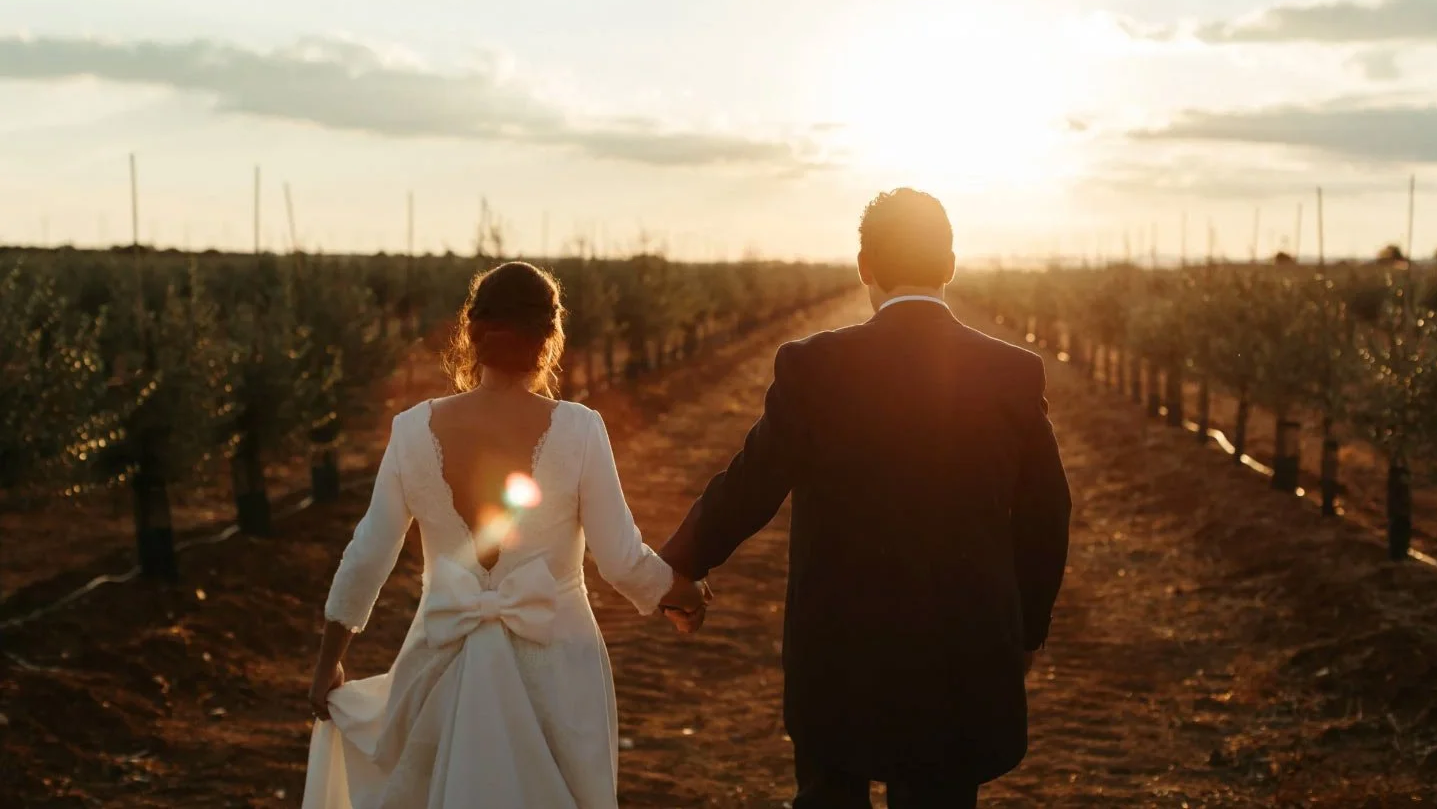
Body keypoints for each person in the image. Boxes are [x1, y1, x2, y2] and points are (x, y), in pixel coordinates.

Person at [657, 188, 1073, 809]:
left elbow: (753, 483)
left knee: (828, 793)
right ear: (951, 265)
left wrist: (679, 567)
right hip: (961, 651)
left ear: (864, 267)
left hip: (838, 651)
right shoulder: (1010, 371)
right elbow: (1047, 512)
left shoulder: (815, 366)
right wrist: (1025, 633)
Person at [303, 261, 708, 809]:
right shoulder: (580, 429)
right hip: (559, 671)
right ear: (551, 338)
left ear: (470, 331)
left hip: (438, 660)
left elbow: (369, 553)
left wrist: (328, 664)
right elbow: (620, 560)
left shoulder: (411, 432)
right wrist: (682, 592)